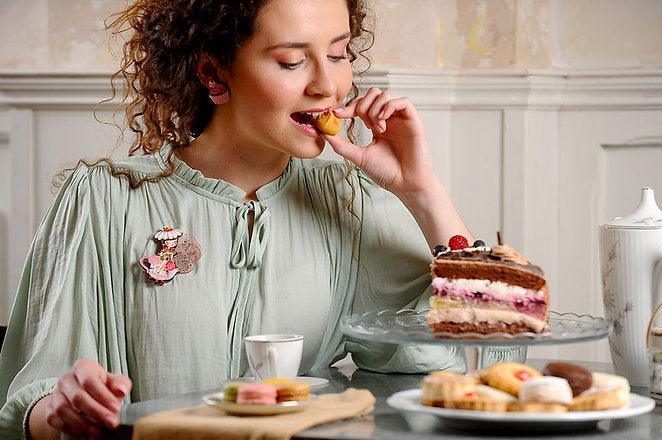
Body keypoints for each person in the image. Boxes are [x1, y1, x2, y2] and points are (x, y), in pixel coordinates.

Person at [0, 0, 521, 438]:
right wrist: (62, 414)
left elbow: (482, 334)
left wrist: (423, 193)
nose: (328, 86)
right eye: (293, 62)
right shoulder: (104, 198)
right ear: (213, 72)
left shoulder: (350, 202)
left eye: (339, 54)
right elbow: (31, 398)